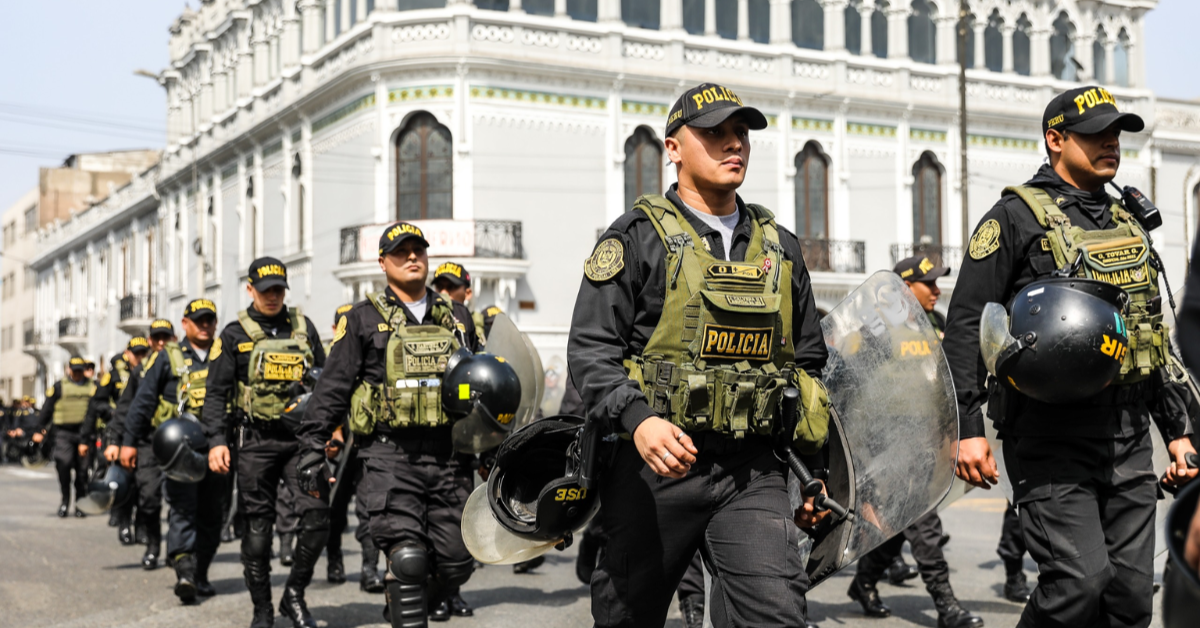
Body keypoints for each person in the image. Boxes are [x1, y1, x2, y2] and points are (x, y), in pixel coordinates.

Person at [568, 83, 829, 628]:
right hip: (654, 469)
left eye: (741, 134)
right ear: (673, 148)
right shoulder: (635, 238)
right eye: (714, 133)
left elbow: (807, 364)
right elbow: (592, 350)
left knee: (777, 616)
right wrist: (639, 422)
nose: (734, 144)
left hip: (751, 472)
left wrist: (817, 472)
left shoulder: (780, 246)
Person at [943, 85, 1198, 628]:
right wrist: (968, 429)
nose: (1111, 142)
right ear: (1055, 139)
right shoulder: (1012, 218)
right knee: (1077, 585)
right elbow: (966, 325)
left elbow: (1150, 337)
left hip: (1128, 435)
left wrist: (1177, 430)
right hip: (1049, 435)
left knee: (1129, 600)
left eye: (1117, 132)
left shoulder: (1127, 221)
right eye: (1095, 134)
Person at [297, 221, 482, 627]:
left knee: (458, 562)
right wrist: (312, 447)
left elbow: (483, 384)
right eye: (401, 251)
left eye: (418, 249)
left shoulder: (459, 318)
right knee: (408, 557)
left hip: (449, 458)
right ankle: (406, 601)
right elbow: (333, 386)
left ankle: (403, 597)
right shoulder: (361, 319)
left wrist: (494, 447)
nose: (412, 257)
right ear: (383, 263)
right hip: (389, 456)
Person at [846, 256, 983, 628]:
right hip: (887, 444)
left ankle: (864, 582)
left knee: (900, 520)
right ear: (905, 288)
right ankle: (946, 605)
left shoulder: (936, 325)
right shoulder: (874, 331)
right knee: (924, 521)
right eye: (929, 284)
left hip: (924, 439)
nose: (938, 290)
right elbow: (848, 388)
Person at [201, 257, 326, 628]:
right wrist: (215, 442)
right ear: (250, 289)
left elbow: (326, 384)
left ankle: (294, 594)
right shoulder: (233, 334)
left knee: (318, 518)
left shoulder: (304, 328)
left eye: (278, 290)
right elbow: (215, 394)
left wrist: (331, 432)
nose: (273, 297)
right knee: (258, 529)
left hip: (301, 441)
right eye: (265, 290)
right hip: (255, 441)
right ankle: (262, 609)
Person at [122, 299, 226, 603]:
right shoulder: (167, 357)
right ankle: (185, 571)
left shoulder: (224, 354)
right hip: (179, 450)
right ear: (185, 324)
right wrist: (128, 441)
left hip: (217, 448)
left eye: (210, 320)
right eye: (199, 321)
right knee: (182, 510)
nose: (205, 326)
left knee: (212, 514)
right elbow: (142, 402)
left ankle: (201, 572)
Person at [322, 303, 386, 593]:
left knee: (370, 509)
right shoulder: (329, 357)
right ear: (336, 329)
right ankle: (334, 558)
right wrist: (332, 433)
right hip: (339, 445)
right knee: (334, 508)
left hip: (368, 442)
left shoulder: (373, 354)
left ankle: (369, 568)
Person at [111, 319, 177, 568]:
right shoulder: (140, 372)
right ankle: (152, 545)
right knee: (148, 497)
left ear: (174, 338)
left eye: (166, 338)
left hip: (179, 443)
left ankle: (176, 548)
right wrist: (118, 441)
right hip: (148, 441)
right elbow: (127, 410)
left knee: (179, 499)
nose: (161, 343)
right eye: (157, 338)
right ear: (150, 341)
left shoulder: (184, 367)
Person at [36, 357, 96, 517]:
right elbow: (47, 408)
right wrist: (39, 429)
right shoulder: (59, 386)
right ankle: (65, 500)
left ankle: (80, 503)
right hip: (63, 433)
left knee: (83, 471)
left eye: (79, 370)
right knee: (63, 465)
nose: (77, 373)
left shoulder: (92, 387)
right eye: (74, 370)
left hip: (84, 433)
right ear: (69, 369)